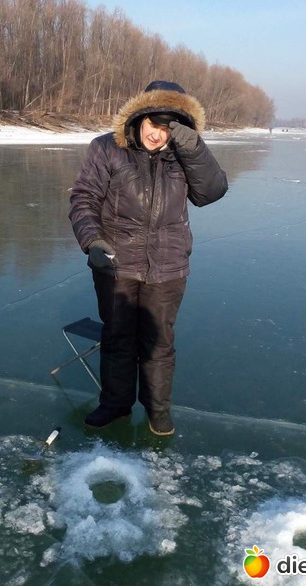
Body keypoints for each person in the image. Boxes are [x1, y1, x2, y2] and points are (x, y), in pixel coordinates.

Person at [68, 80, 228, 435]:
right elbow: (84, 198)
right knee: (117, 337)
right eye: (153, 124)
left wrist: (195, 149)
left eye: (168, 128)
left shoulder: (184, 154)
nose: (158, 134)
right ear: (140, 116)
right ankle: (115, 404)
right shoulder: (107, 148)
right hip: (116, 263)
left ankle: (158, 410)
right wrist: (92, 241)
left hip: (168, 266)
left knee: (159, 342)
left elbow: (211, 192)